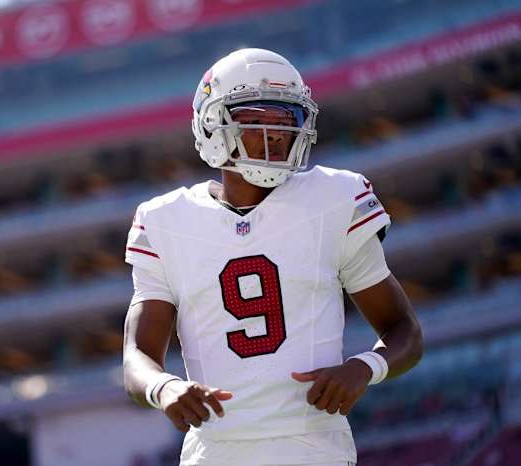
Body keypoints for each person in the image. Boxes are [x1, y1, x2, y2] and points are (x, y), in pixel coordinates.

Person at [122, 48, 424, 466]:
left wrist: (364, 366)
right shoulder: (163, 222)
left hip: (316, 448)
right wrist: (165, 388)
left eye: (287, 119)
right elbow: (136, 356)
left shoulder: (334, 199)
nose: (277, 133)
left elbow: (404, 331)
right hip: (214, 453)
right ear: (212, 124)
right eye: (257, 118)